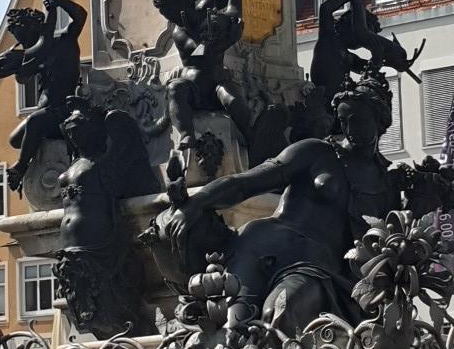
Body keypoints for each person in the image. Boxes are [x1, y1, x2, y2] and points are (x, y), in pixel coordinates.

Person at [150, 75, 402, 334]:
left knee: (280, 315)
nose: (349, 130)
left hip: (314, 265)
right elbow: (244, 183)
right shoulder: (316, 152)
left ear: (381, 121)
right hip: (261, 244)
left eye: (358, 120)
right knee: (235, 330)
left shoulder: (388, 186)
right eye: (344, 120)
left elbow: (385, 255)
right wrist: (198, 202)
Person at [0, 0, 86, 191]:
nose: (21, 43)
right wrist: (8, 67)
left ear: (34, 29)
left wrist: (59, 2)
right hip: (47, 112)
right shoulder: (35, 55)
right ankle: (46, 154)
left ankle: (20, 168)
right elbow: (22, 77)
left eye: (21, 35)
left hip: (65, 108)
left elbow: (81, 16)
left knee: (34, 123)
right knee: (16, 140)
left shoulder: (64, 42)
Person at [153, 0, 252, 160]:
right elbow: (202, 54)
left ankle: (254, 138)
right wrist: (230, 39)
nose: (170, 18)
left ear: (185, 4)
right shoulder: (180, 32)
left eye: (170, 12)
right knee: (176, 89)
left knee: (234, 100)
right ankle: (187, 134)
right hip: (194, 88)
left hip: (217, 81)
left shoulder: (207, 7)